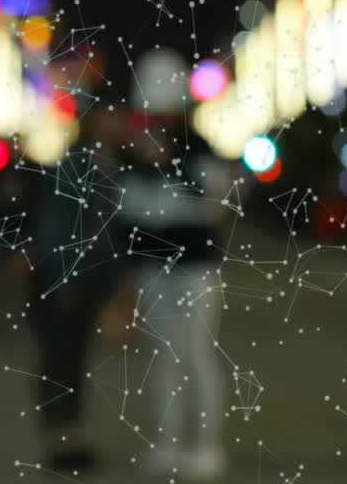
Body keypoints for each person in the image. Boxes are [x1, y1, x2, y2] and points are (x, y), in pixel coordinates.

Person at [122, 49, 230, 480]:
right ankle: (169, 440)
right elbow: (129, 211)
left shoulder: (198, 147)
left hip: (196, 268)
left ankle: (206, 445)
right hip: (155, 269)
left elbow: (213, 205)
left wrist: (173, 171)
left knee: (197, 355)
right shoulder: (138, 151)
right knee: (164, 357)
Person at [22, 108, 125, 475]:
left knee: (75, 358)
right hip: (67, 282)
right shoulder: (75, 166)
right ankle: (59, 436)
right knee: (60, 359)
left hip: (89, 283)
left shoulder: (108, 165)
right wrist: (63, 279)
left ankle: (71, 434)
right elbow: (56, 227)